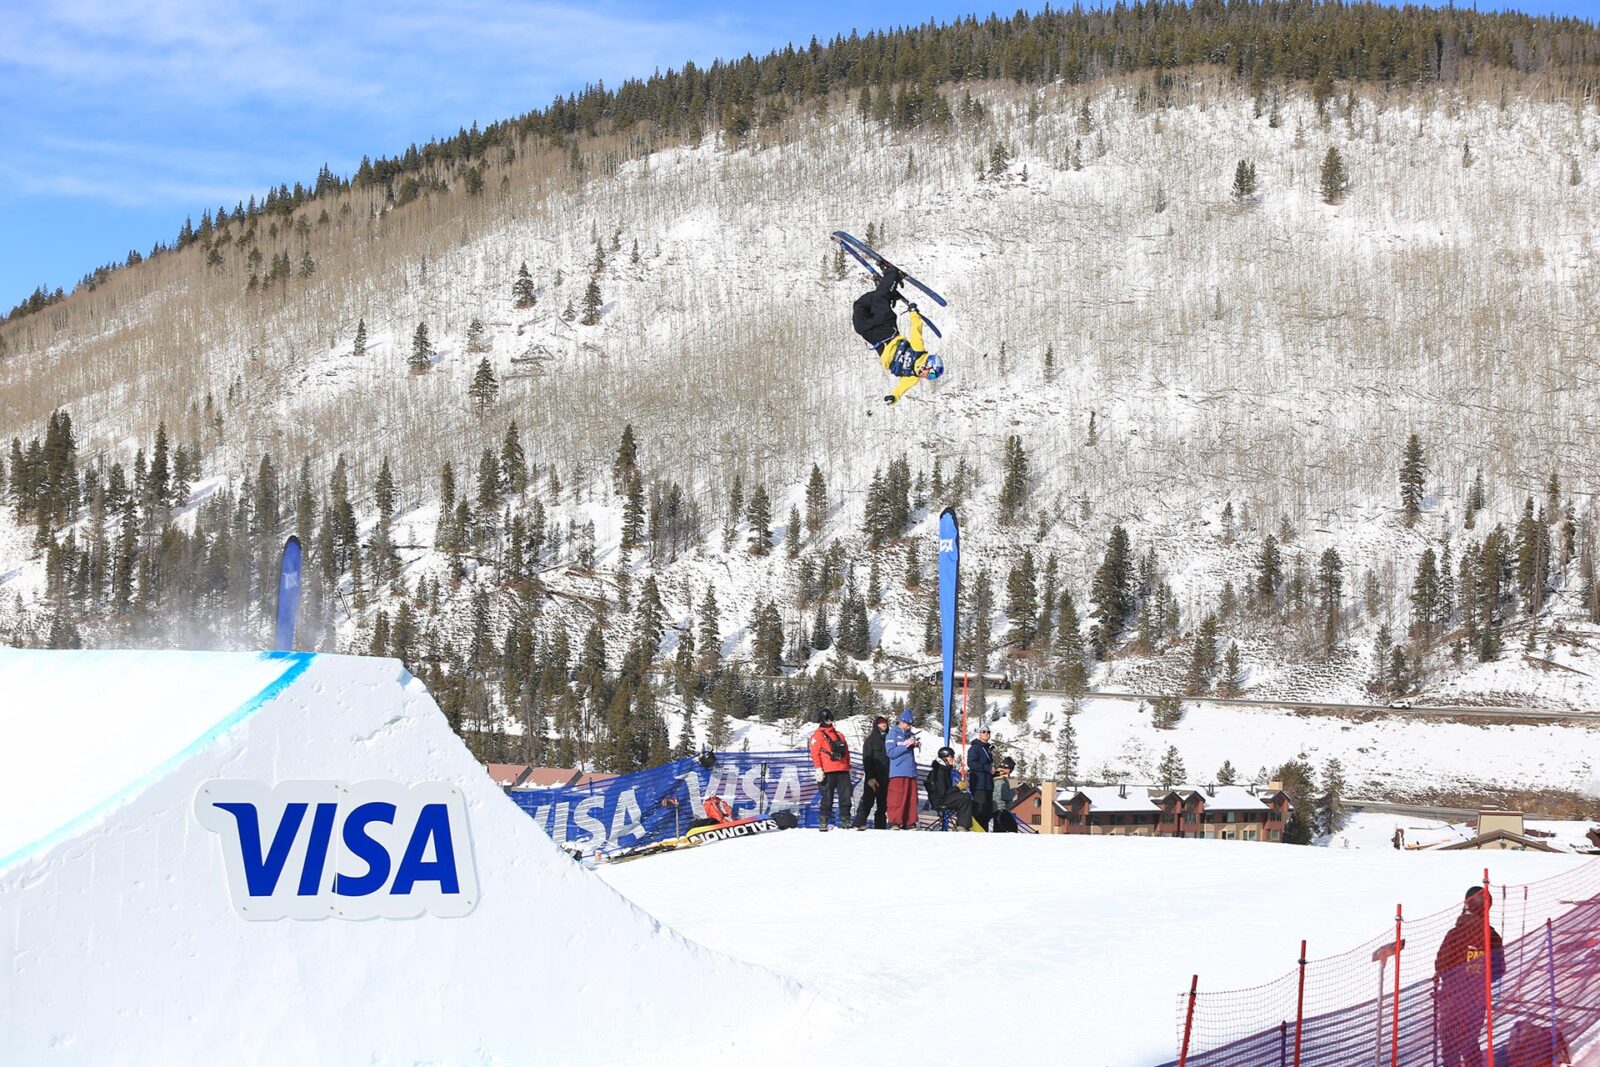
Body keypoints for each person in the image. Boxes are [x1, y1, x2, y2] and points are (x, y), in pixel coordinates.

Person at [850, 263, 944, 407]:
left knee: (859, 308)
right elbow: (916, 330)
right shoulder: (919, 353)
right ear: (928, 365)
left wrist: (893, 397)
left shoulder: (912, 377)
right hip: (888, 331)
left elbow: (901, 389)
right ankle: (893, 274)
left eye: (931, 377)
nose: (928, 377)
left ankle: (887, 291)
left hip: (877, 342)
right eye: (931, 374)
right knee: (879, 299)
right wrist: (913, 312)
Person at [1434, 885, 1507, 1067]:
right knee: (1469, 1043)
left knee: (1450, 1047)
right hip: (1476, 1001)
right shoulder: (1491, 936)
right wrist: (1478, 976)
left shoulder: (1455, 934)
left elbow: (1441, 965)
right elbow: (1499, 969)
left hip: (1451, 1000)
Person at [808, 709, 852, 832]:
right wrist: (818, 768)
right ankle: (823, 820)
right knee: (827, 798)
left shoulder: (839, 735)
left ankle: (845, 819)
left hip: (842, 770)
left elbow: (846, 753)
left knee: (846, 796)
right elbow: (815, 753)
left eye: (829, 718)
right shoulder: (817, 735)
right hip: (827, 771)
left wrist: (848, 767)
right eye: (826, 718)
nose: (828, 720)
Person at [885, 709, 922, 829]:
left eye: (910, 724)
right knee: (897, 798)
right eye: (906, 723)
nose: (908, 726)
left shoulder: (910, 735)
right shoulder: (892, 734)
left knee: (911, 798)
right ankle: (894, 822)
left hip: (910, 771)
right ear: (900, 722)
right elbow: (891, 753)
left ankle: (910, 822)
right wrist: (905, 745)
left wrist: (915, 744)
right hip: (898, 771)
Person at [853, 715, 891, 830]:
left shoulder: (889, 740)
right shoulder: (870, 740)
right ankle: (859, 823)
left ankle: (880, 827)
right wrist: (870, 777)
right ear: (876, 725)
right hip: (873, 777)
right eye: (881, 723)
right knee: (867, 801)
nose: (884, 725)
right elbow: (867, 759)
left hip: (886, 777)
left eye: (885, 723)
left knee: (883, 805)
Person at [925, 746, 975, 830]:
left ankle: (963, 825)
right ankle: (962, 826)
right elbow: (942, 792)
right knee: (965, 798)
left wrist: (959, 788)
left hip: (942, 798)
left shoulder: (944, 770)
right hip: (939, 800)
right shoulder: (939, 772)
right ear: (944, 758)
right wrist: (958, 787)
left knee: (965, 795)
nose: (953, 759)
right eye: (951, 756)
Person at [967, 723, 995, 831]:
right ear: (979, 734)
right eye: (984, 732)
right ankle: (977, 831)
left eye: (988, 732)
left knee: (987, 812)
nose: (986, 734)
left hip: (988, 785)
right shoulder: (975, 748)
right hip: (979, 784)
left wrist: (995, 771)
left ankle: (984, 831)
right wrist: (987, 768)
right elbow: (971, 764)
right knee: (979, 810)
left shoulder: (988, 749)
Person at [991, 757, 1019, 833]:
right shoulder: (1000, 779)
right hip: (1000, 809)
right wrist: (1014, 792)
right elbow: (1004, 795)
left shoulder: (1003, 777)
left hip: (1001, 809)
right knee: (1012, 828)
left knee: (999, 831)